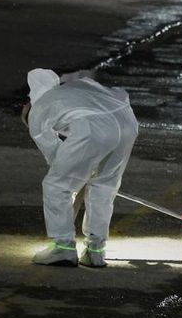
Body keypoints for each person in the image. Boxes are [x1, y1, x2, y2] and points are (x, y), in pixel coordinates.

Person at [21, 68, 139, 267]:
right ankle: (96, 252)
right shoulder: (72, 89)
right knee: (104, 186)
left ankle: (63, 248)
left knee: (57, 186)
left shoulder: (38, 110)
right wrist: (85, 170)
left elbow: (55, 158)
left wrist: (78, 174)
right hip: (127, 122)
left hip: (93, 127)